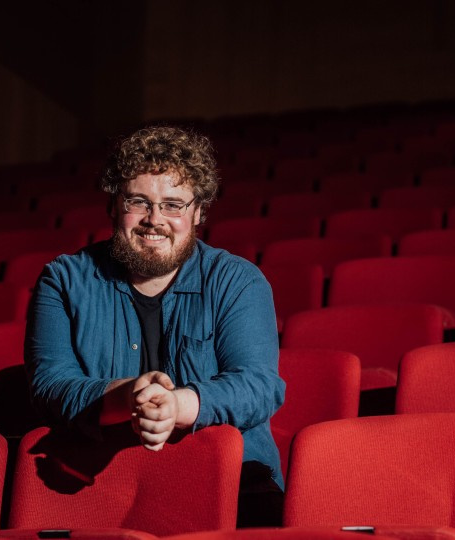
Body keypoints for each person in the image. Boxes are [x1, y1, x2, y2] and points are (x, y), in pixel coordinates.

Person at [24, 125, 285, 526]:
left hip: (233, 487)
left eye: (173, 205)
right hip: (104, 490)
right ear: (114, 205)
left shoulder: (239, 281)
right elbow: (50, 385)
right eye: (138, 201)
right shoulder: (63, 280)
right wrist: (127, 395)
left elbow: (258, 385)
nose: (154, 220)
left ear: (198, 212)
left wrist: (177, 406)